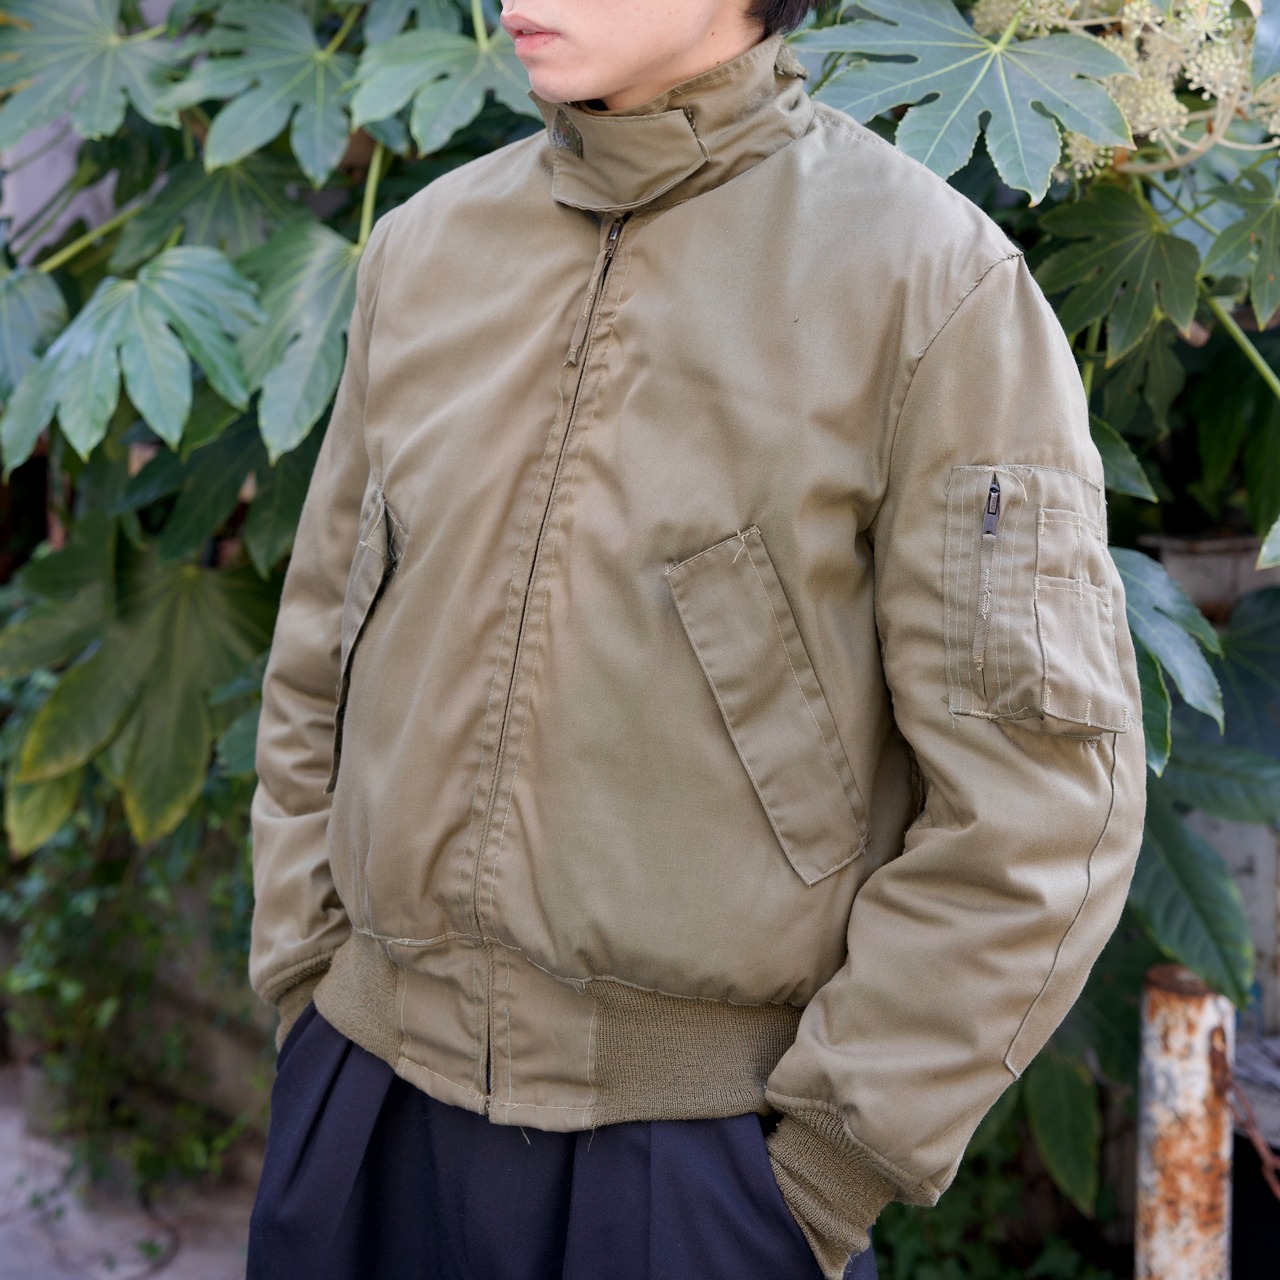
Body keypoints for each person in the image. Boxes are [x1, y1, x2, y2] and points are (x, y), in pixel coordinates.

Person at [245, 1, 1147, 1277]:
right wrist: (306, 980)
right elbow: (315, 656)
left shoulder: (927, 284)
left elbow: (1037, 803)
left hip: (695, 1157)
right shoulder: (424, 248)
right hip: (364, 1102)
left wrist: (826, 1165)